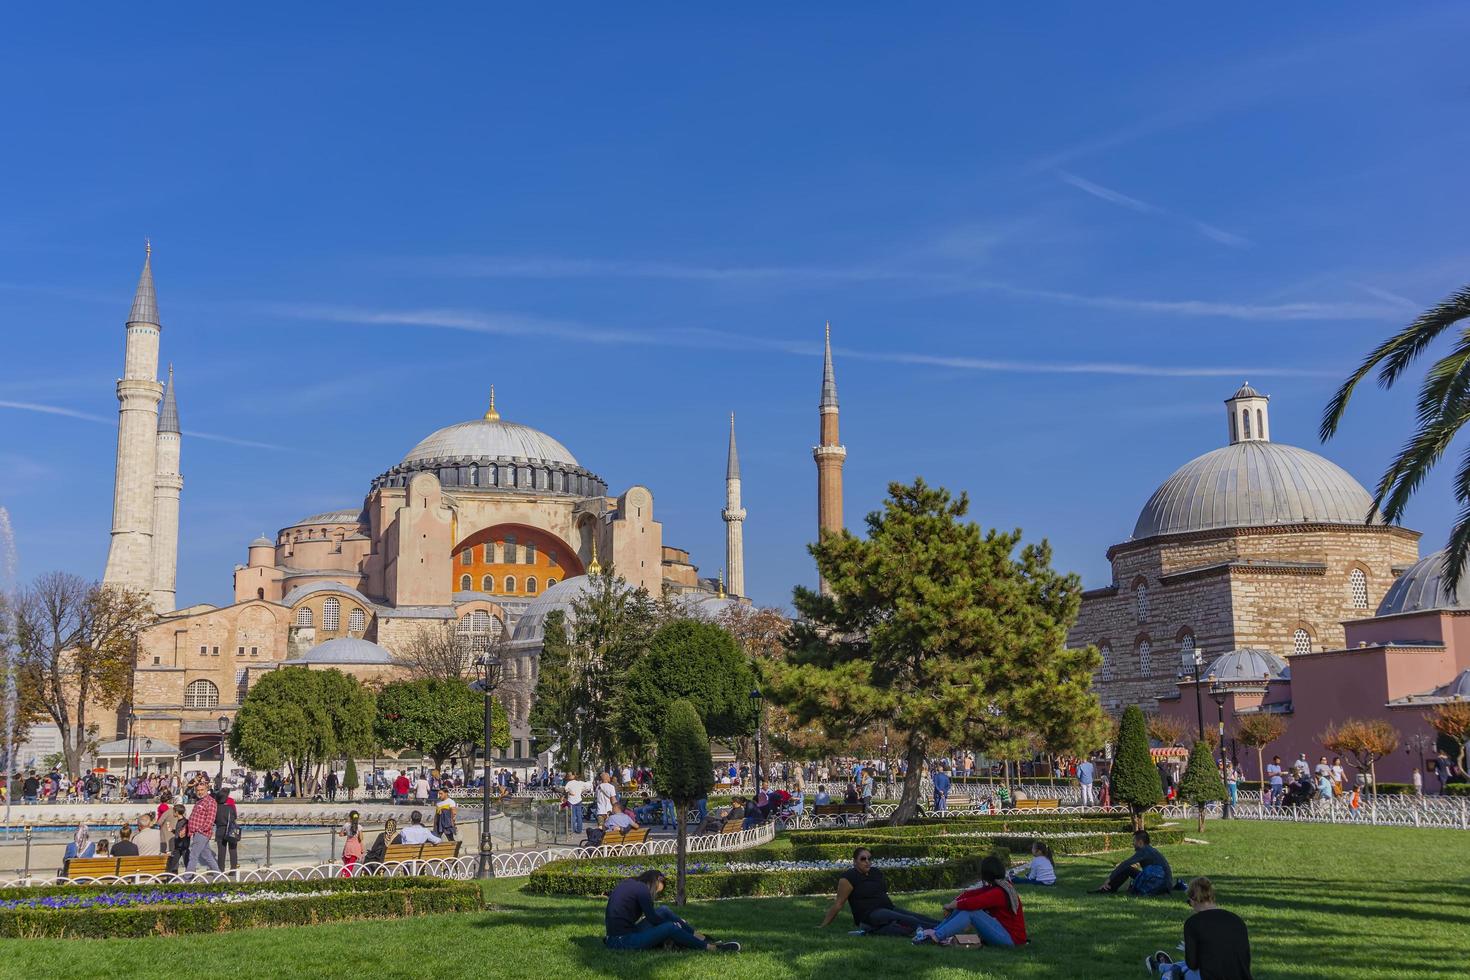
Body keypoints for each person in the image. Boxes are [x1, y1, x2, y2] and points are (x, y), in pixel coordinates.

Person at [604, 869, 740, 952]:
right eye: (657, 890)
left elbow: (654, 917)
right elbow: (652, 919)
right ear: (654, 882)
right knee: (670, 927)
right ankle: (711, 948)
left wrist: (678, 923)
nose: (655, 894)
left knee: (663, 910)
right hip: (621, 941)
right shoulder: (642, 890)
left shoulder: (631, 883)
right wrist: (676, 925)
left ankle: (701, 937)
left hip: (621, 936)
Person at [1146, 876, 1253, 980]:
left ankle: (1163, 968)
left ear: (1194, 899)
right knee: (1188, 965)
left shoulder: (1193, 923)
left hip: (1209, 976)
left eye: (1189, 902)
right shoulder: (1237, 920)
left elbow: (1192, 964)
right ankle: (1164, 966)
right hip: (1240, 975)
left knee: (1182, 970)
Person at [819, 847, 942, 936]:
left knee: (916, 916)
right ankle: (942, 931)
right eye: (863, 859)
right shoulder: (848, 877)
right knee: (910, 920)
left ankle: (946, 925)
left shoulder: (876, 872)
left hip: (888, 907)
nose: (867, 861)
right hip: (869, 914)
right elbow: (839, 903)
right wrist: (823, 925)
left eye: (869, 858)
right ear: (855, 861)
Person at [914, 854, 1027, 948]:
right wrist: (954, 903)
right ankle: (935, 931)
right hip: (1005, 934)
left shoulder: (999, 892)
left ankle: (936, 936)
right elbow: (970, 894)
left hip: (1011, 940)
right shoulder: (999, 886)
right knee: (964, 906)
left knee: (971, 911)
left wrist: (952, 905)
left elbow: (973, 903)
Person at [1093, 830, 1174, 895]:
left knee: (1126, 868)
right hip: (1165, 885)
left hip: (1160, 885)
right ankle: (1109, 888)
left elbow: (1125, 864)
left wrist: (1108, 880)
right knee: (1129, 869)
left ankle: (1107, 888)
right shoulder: (1150, 849)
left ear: (1140, 842)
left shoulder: (1144, 851)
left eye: (1134, 841)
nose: (1133, 843)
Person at [186, 778, 221, 874]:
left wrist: (200, 830)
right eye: (198, 790)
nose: (200, 792)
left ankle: (187, 879)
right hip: (197, 833)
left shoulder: (210, 802)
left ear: (206, 790)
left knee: (193, 856)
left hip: (201, 833)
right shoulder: (199, 801)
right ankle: (218, 876)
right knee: (208, 856)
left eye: (202, 790)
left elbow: (210, 819)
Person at [215, 788, 241, 871]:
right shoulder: (230, 807)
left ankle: (221, 869)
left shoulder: (216, 808)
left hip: (220, 830)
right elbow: (235, 817)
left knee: (221, 851)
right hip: (230, 829)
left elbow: (214, 820)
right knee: (233, 850)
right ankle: (233, 869)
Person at [340, 812, 365, 876]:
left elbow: (341, 834)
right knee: (350, 866)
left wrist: (347, 833)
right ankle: (347, 878)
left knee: (346, 865)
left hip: (348, 847)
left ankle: (342, 877)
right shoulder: (359, 827)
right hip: (356, 848)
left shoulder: (346, 825)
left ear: (350, 818)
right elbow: (361, 838)